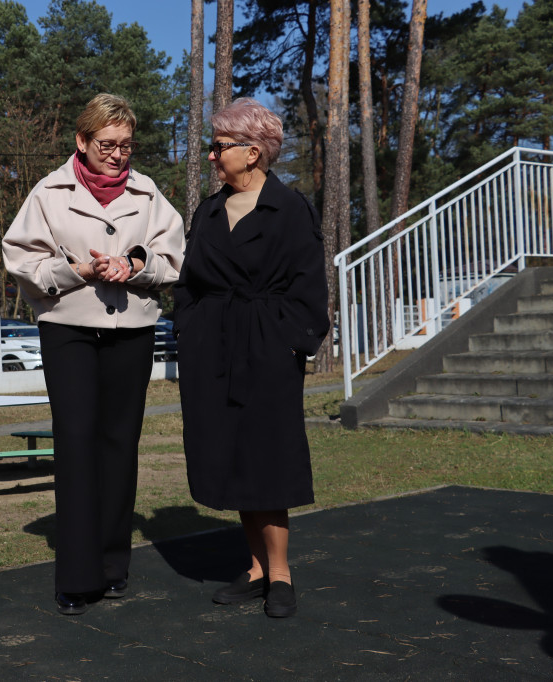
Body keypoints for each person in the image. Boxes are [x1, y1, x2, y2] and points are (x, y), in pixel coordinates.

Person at [2, 93, 185, 616]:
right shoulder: (48, 192)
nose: (118, 155)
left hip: (131, 330)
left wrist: (135, 264)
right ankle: (77, 576)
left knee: (119, 445)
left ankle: (112, 562)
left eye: (126, 145)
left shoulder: (149, 193)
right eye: (107, 144)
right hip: (69, 331)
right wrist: (73, 272)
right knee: (77, 445)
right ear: (81, 141)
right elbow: (21, 258)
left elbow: (173, 256)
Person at [174, 98, 329, 618]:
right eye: (212, 146)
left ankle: (281, 573)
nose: (212, 156)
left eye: (219, 147)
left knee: (268, 455)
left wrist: (291, 343)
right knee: (229, 454)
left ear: (253, 152)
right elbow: (189, 283)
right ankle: (255, 567)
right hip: (212, 350)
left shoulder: (290, 208)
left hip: (266, 349)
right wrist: (190, 331)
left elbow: (310, 287)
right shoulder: (209, 210)